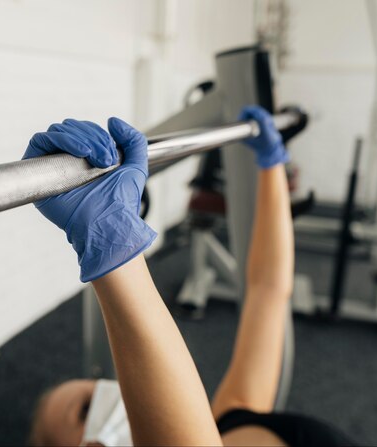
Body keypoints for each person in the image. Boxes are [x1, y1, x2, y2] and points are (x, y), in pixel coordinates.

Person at [23, 107, 354, 446]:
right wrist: (109, 238)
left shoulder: (231, 418)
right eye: (84, 409)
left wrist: (271, 165)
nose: (114, 390)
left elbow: (267, 291)